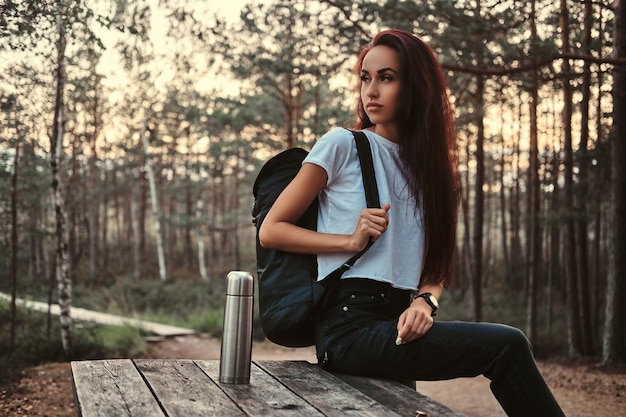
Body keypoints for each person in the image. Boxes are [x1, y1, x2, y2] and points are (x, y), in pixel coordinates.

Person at [259, 29, 565, 417]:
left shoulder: (433, 175)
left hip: (399, 325)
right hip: (348, 327)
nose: (372, 91)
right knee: (508, 345)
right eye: (366, 78)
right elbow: (272, 230)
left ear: (416, 87)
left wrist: (425, 301)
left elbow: (436, 266)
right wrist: (349, 241)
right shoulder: (342, 145)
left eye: (387, 78)